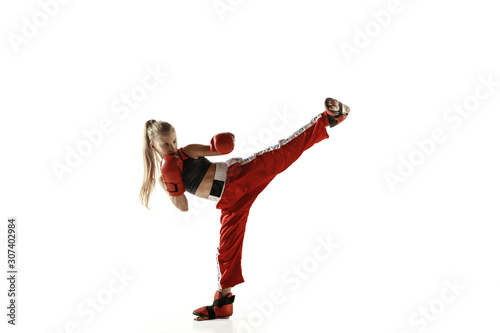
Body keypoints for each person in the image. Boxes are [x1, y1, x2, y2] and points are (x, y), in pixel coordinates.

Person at [139, 98, 350, 320]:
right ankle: (223, 304)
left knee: (284, 152)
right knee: (227, 249)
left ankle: (328, 118)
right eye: (166, 144)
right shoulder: (163, 179)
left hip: (240, 175)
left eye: (173, 141)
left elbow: (216, 151)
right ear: (153, 146)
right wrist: (174, 186)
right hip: (229, 202)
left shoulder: (187, 152)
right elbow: (183, 207)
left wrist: (221, 143)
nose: (172, 147)